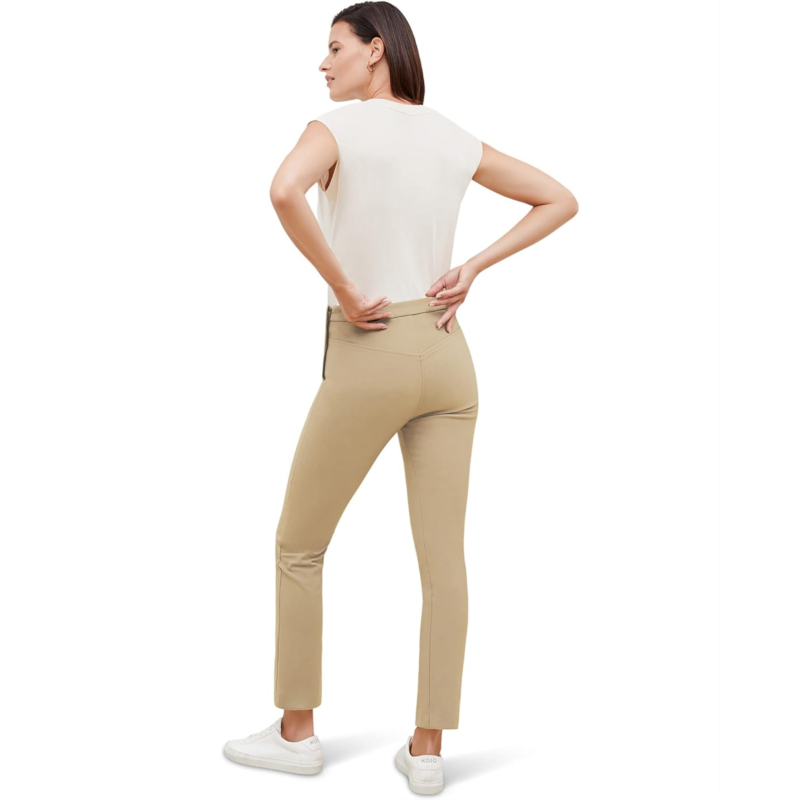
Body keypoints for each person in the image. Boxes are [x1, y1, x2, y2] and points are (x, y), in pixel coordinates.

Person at [223, 2, 578, 793]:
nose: (323, 64)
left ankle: (297, 734)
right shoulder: (452, 136)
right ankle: (426, 751)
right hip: (448, 356)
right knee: (444, 561)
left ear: (376, 51)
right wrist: (473, 266)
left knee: (299, 546)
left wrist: (347, 287)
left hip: (371, 348)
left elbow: (282, 191)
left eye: (335, 47)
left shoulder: (335, 130)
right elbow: (560, 197)